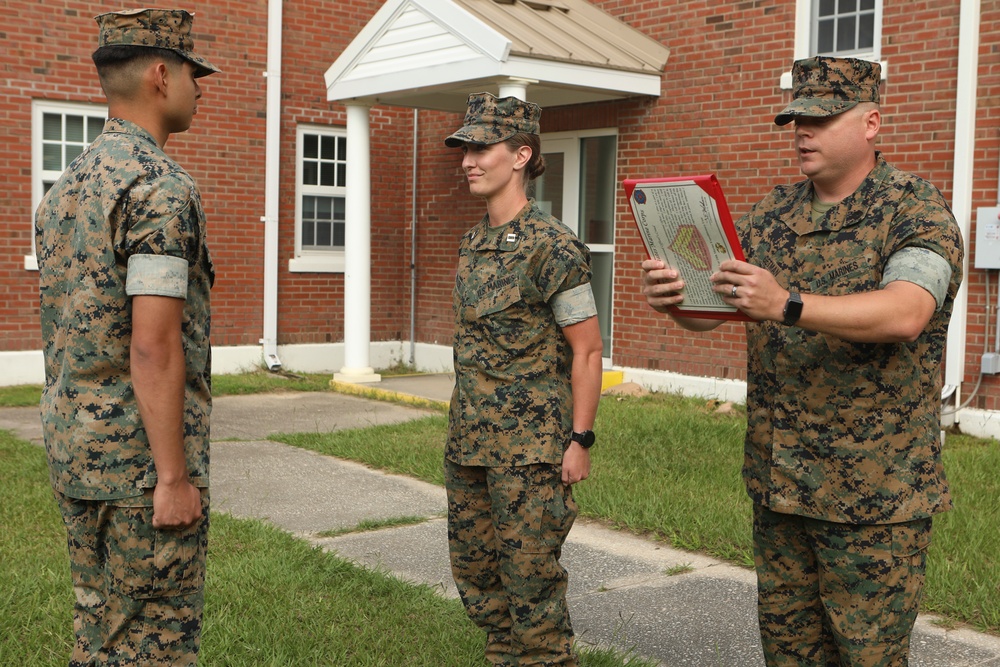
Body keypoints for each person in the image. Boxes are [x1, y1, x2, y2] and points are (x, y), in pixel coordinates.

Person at [641, 56, 963, 666]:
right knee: (789, 654)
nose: (802, 132)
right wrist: (675, 303)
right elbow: (723, 309)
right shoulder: (773, 215)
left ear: (871, 123)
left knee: (867, 658)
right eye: (795, 119)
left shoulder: (913, 210)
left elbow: (906, 312)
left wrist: (786, 303)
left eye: (820, 119)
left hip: (873, 497)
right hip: (780, 485)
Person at [35, 9, 219, 666]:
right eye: (196, 75)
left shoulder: (64, 190)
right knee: (153, 644)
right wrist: (172, 476)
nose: (201, 89)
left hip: (75, 455)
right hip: (138, 472)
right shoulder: (158, 187)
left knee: (99, 627)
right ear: (162, 76)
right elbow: (154, 344)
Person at [444, 92, 604, 666]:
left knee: (531, 593)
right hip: (470, 444)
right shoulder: (472, 243)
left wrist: (580, 440)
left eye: (481, 148)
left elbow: (586, 352)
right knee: (479, 582)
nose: (468, 160)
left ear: (521, 155)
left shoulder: (553, 246)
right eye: (464, 149)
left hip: (529, 453)